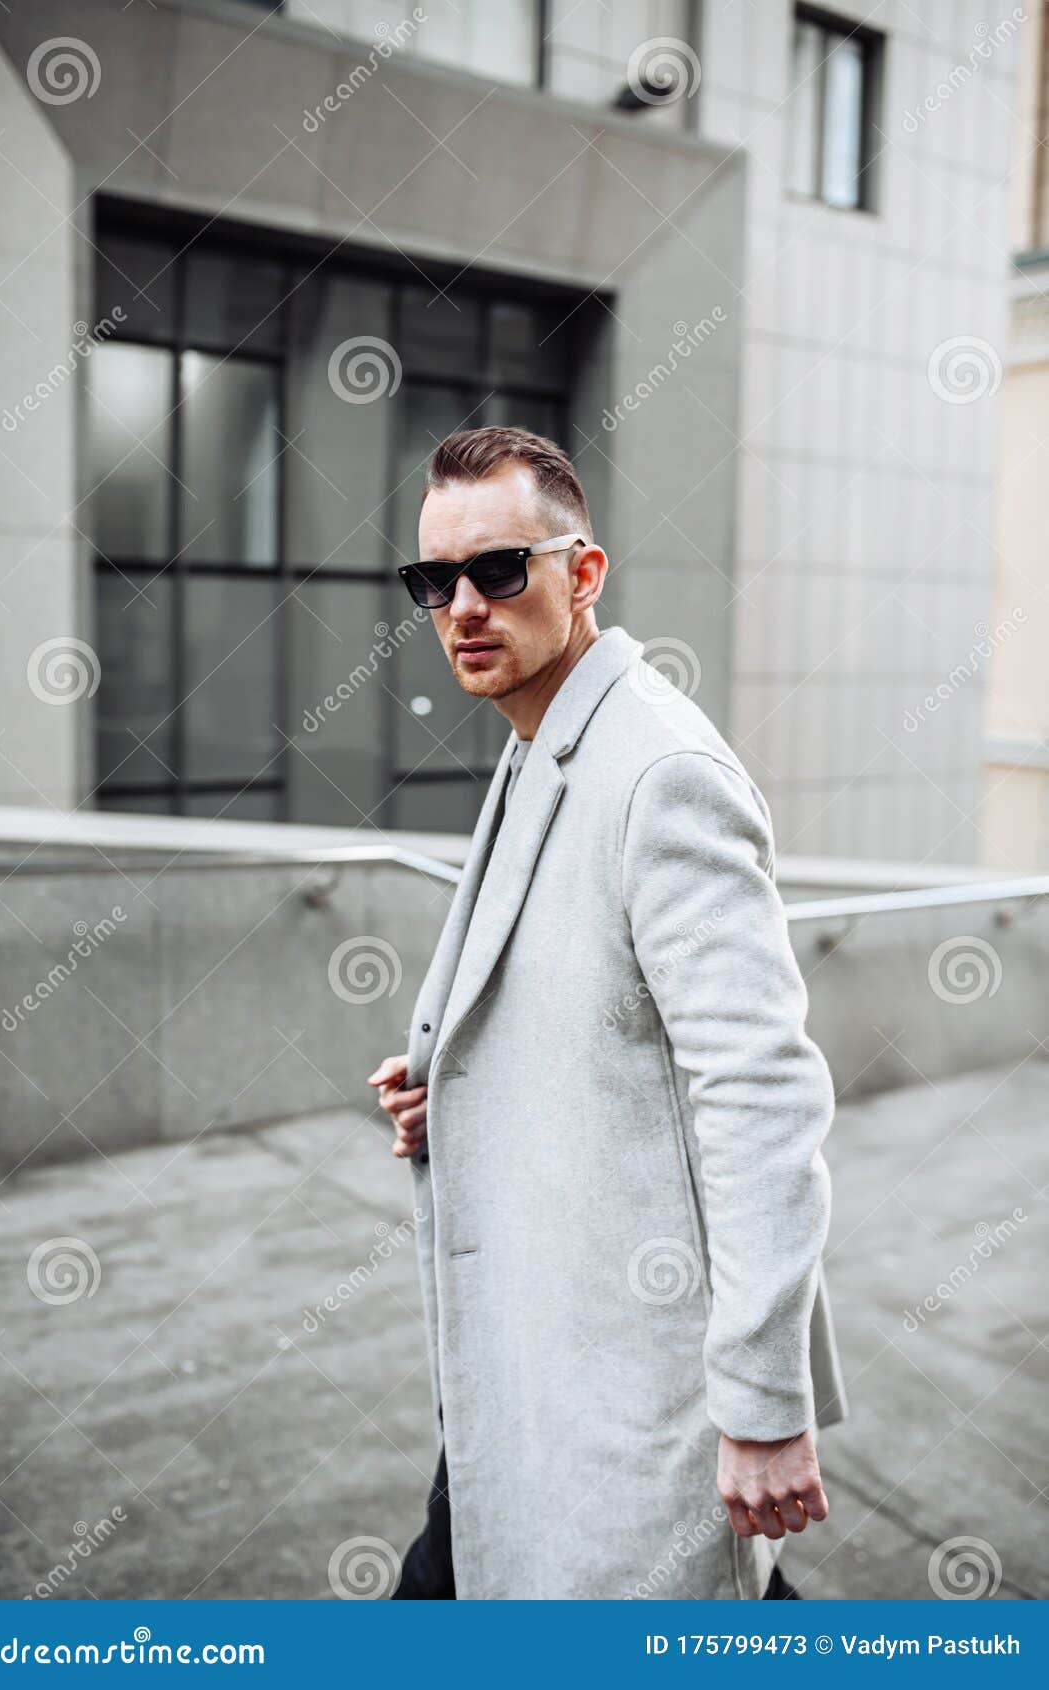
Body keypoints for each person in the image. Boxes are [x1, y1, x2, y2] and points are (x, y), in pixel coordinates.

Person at [368, 426, 846, 1600]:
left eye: (499, 571)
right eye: (435, 581)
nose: (463, 607)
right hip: (534, 1363)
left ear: (582, 574)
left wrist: (765, 1404)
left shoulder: (662, 770)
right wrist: (460, 1091)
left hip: (625, 1379)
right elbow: (605, 1029)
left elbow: (760, 1094)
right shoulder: (544, 738)